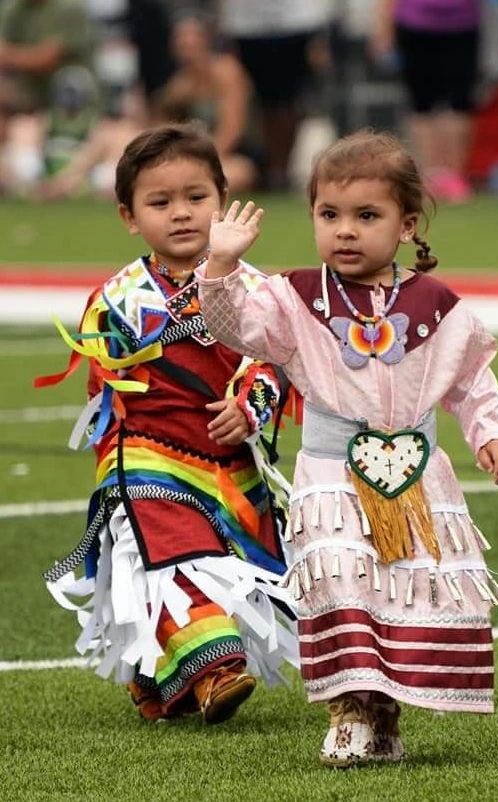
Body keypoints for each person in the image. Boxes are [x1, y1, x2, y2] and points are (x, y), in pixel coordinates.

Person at [196, 130, 498, 766]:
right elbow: (235, 329)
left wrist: (493, 433)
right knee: (342, 581)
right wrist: (221, 266)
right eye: (329, 214)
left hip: (416, 480)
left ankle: (385, 711)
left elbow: (471, 379)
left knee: (401, 590)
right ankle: (347, 711)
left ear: (407, 224)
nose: (345, 230)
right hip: (330, 478)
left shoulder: (437, 306)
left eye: (366, 216)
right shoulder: (295, 297)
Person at [37, 123, 298, 724]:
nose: (181, 213)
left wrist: (251, 408)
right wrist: (114, 460)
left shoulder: (254, 289)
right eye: (160, 202)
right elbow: (103, 392)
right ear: (129, 216)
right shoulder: (117, 298)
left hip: (229, 461)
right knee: (166, 549)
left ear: (222, 200)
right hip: (144, 455)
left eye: (196, 197)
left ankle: (156, 673)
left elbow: (275, 363)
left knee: (225, 565)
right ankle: (215, 670)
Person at [371, 0, 481, 203]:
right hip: (428, 23)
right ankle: (442, 176)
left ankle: (443, 175)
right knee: (441, 104)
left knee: (435, 104)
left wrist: (384, 25)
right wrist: (385, 25)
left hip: (447, 23)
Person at [218, 0, 333, 190]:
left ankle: (281, 171)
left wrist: (319, 35)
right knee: (259, 105)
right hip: (245, 28)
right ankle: (270, 170)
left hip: (295, 25)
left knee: (287, 105)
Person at [0, 0, 97, 188]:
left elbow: (47, 58)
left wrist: (8, 55)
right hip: (29, 101)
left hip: (75, 105)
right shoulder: (13, 8)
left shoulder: (69, 7)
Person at [157, 11, 257, 192]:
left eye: (192, 45)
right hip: (193, 154)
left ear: (206, 42)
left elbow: (233, 129)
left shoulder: (227, 72)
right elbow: (161, 125)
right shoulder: (179, 84)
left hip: (233, 154)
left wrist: (203, 159)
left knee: (235, 174)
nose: (187, 53)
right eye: (182, 46)